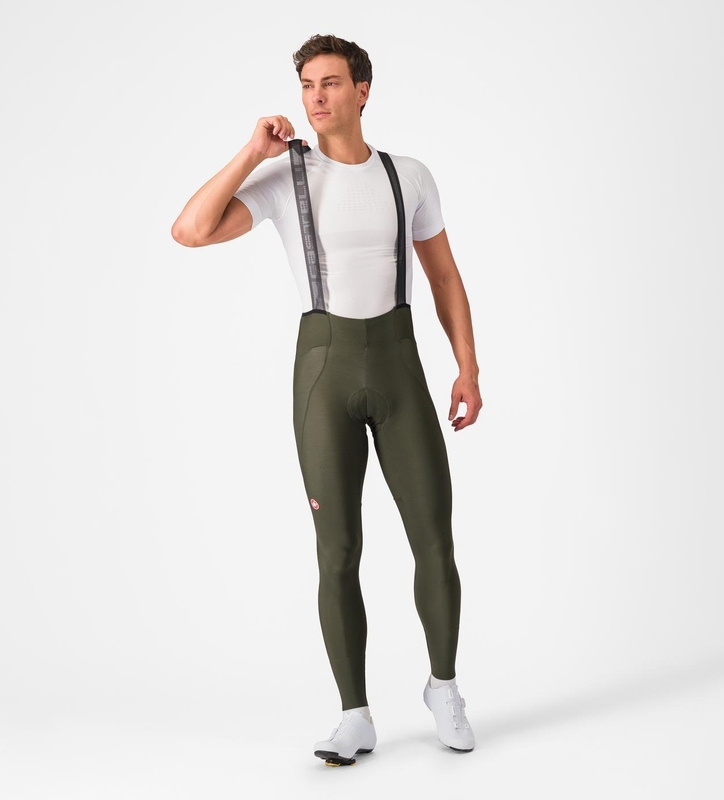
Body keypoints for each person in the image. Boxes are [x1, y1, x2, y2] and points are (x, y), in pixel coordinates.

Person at [171, 33, 482, 766]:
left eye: (332, 82)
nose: (316, 96)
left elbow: (444, 277)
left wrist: (467, 368)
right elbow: (189, 231)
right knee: (337, 550)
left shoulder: (409, 176)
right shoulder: (288, 177)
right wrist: (252, 152)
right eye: (308, 84)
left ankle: (443, 687)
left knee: (434, 540)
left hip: (400, 366)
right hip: (324, 372)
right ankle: (354, 715)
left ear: (362, 91)